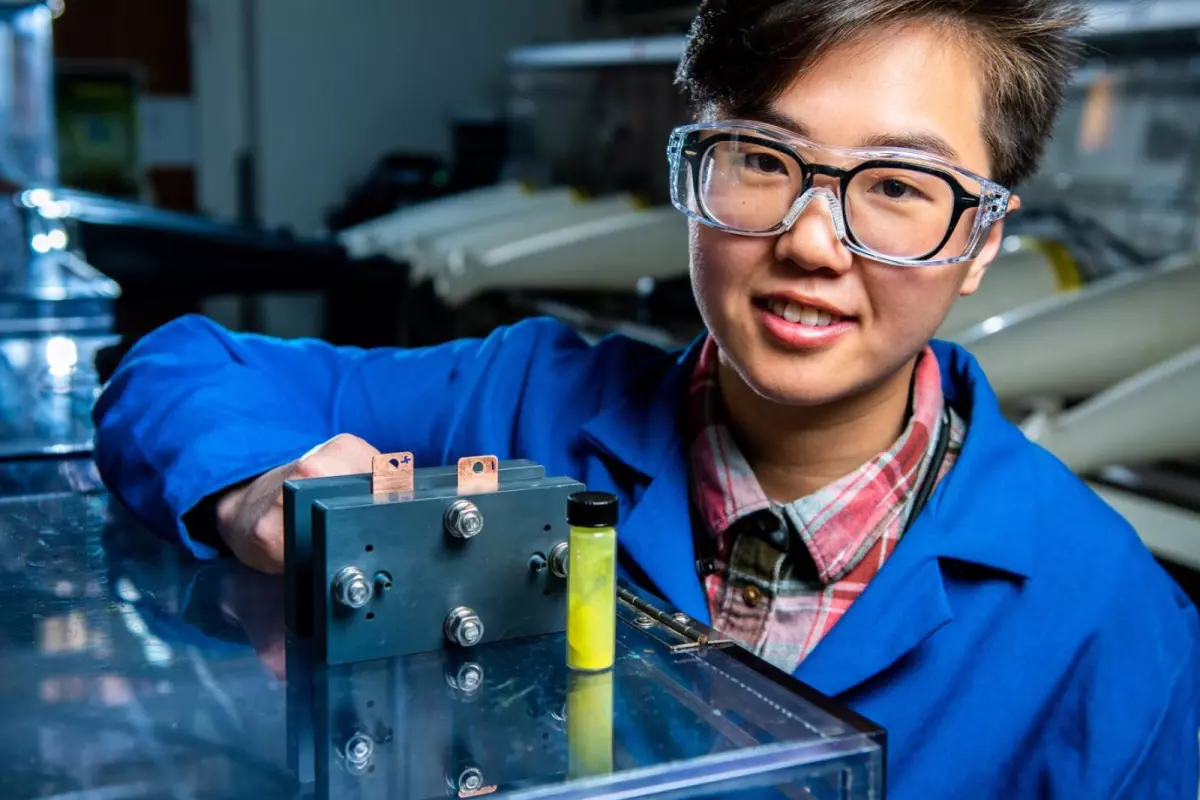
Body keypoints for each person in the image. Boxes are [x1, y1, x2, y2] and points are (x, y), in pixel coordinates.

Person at [93, 0, 1198, 796]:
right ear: (690, 171)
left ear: (983, 241)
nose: (813, 240)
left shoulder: (1113, 624)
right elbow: (179, 364)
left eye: (900, 186)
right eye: (761, 158)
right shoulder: (521, 399)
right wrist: (249, 487)